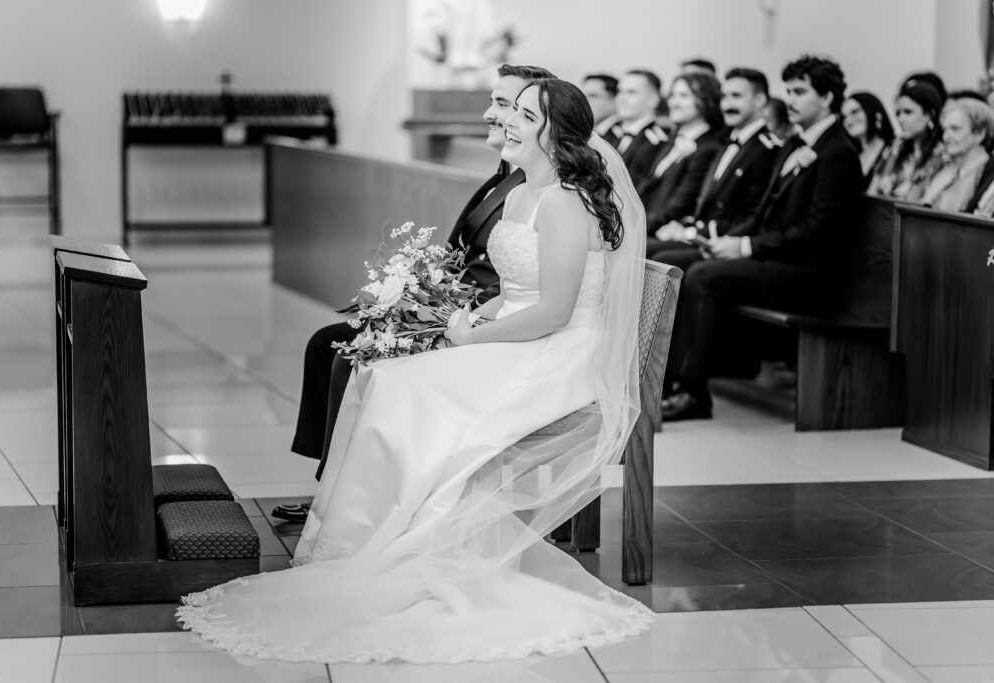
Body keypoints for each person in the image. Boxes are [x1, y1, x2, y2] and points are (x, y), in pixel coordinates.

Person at [178, 78, 652, 663]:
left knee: (409, 392)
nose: (505, 122)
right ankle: (363, 543)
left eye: (523, 116)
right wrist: (475, 316)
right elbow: (515, 292)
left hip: (560, 354)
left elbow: (553, 312)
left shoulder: (563, 201)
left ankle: (404, 547)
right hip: (520, 336)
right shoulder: (527, 191)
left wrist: (468, 337)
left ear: (554, 134)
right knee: (387, 380)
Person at [274, 64, 552, 524]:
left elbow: (523, 280)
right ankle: (337, 483)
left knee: (352, 352)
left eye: (504, 105)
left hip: (490, 318)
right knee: (329, 342)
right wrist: (414, 294)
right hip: (461, 305)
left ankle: (345, 493)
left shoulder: (536, 185)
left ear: (536, 116)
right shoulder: (507, 172)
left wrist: (449, 313)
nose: (490, 114)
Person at [662, 55, 863, 422]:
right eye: (788, 90)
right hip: (778, 258)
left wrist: (746, 247)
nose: (790, 99)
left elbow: (817, 234)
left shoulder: (838, 154)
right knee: (688, 263)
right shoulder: (794, 144)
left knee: (705, 278)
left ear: (828, 98)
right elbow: (763, 213)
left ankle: (692, 392)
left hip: (809, 271)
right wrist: (727, 242)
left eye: (799, 91)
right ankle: (666, 380)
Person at [650, 67, 782, 270]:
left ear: (760, 101)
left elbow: (753, 213)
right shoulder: (727, 143)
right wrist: (687, 225)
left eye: (736, 96)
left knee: (659, 256)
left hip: (726, 240)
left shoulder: (767, 149)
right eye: (724, 97)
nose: (727, 104)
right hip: (702, 232)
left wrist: (693, 233)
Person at [638, 71, 723, 255]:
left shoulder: (708, 148)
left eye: (684, 96)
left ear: (705, 100)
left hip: (664, 228)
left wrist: (636, 224)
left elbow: (679, 205)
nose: (674, 103)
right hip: (647, 220)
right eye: (673, 95)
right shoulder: (672, 141)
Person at [868, 82, 945, 202]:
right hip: (884, 215)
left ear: (930, 114)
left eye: (908, 112)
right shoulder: (895, 148)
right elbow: (872, 194)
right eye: (898, 113)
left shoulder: (943, 154)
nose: (900, 119)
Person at [921, 98, 994, 211]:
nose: (946, 137)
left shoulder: (987, 174)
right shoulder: (945, 168)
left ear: (979, 134)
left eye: (955, 129)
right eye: (945, 130)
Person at [603, 69, 668, 185]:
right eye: (620, 91)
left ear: (653, 99)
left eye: (631, 92)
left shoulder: (660, 141)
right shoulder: (608, 133)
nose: (621, 99)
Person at [841, 91, 895, 187]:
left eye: (855, 112)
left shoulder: (895, 150)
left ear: (871, 110)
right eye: (844, 117)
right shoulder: (849, 158)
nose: (848, 120)